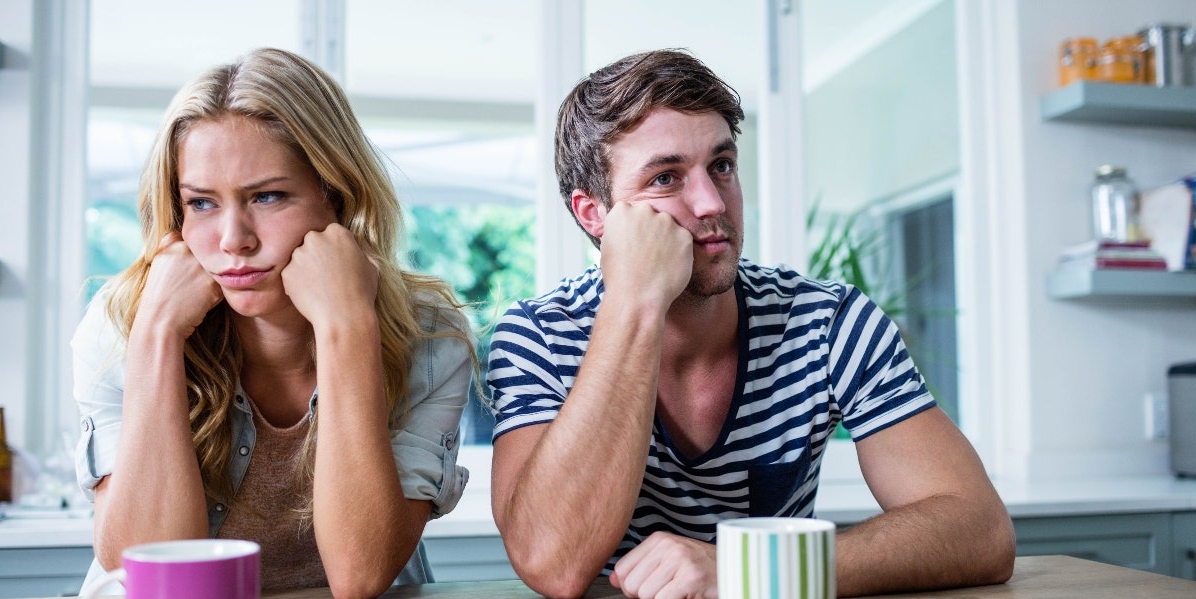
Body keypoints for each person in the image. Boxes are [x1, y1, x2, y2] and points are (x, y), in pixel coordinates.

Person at [486, 49, 1015, 599]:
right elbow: (552, 564)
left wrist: (750, 569)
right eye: (666, 178)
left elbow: (981, 530)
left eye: (722, 165)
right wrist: (635, 303)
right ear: (594, 214)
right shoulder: (539, 335)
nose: (712, 201)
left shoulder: (827, 322)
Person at [72, 48, 476, 598]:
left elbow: (362, 575)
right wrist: (157, 336)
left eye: (268, 196)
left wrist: (347, 327)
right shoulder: (122, 323)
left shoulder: (430, 338)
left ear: (337, 195)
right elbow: (148, 575)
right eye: (202, 204)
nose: (234, 239)